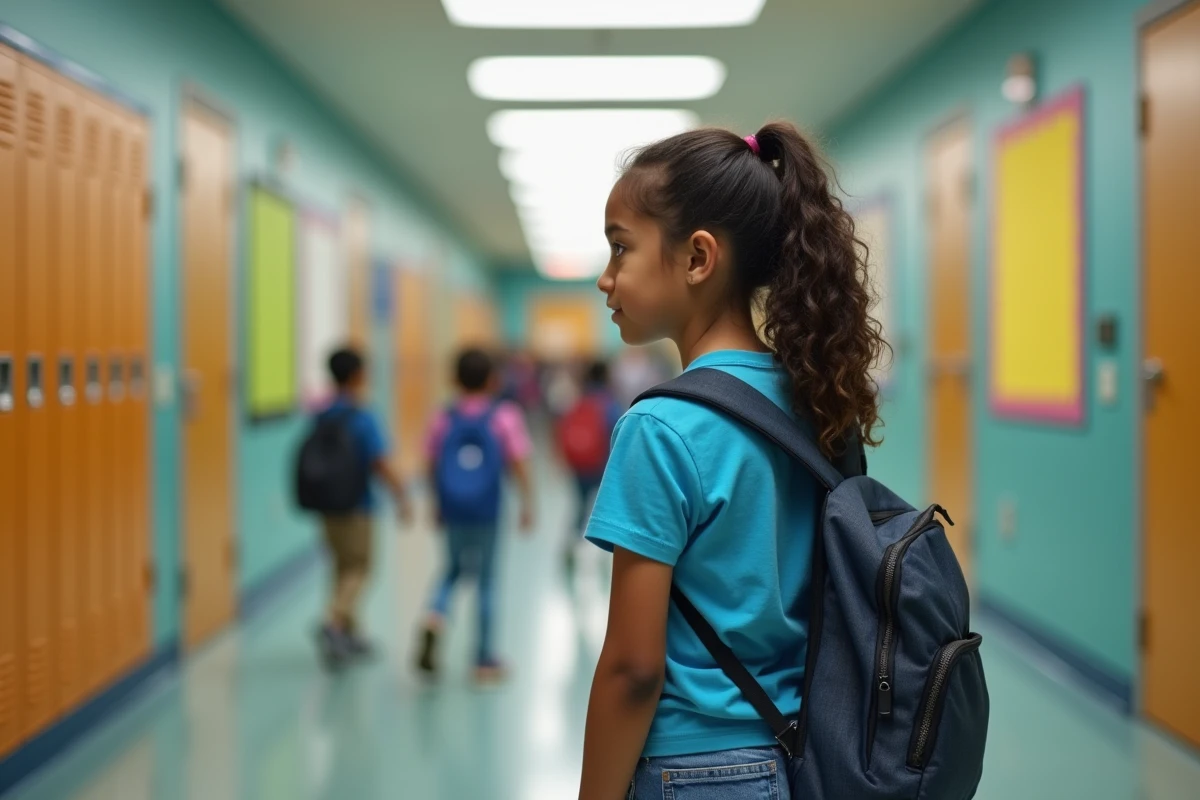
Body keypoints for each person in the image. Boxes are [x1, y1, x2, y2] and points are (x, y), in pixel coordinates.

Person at [578, 123, 886, 799]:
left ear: (697, 258)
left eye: (620, 248)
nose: (605, 278)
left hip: (695, 769)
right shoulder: (814, 401)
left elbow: (633, 668)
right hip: (809, 754)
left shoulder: (660, 428)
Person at [417, 348, 535, 683]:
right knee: (486, 580)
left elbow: (431, 463)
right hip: (487, 508)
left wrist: (435, 502)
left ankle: (435, 615)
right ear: (492, 380)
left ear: (454, 379)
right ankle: (484, 660)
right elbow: (518, 463)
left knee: (452, 570)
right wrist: (528, 503)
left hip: (453, 506)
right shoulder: (504, 416)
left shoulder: (444, 417)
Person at [312, 347, 411, 666]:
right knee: (362, 567)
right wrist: (401, 495)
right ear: (356, 376)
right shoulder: (362, 415)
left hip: (326, 503)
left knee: (342, 565)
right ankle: (334, 621)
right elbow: (379, 461)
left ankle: (349, 634)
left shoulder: (321, 413)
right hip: (357, 504)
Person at [554, 359, 621, 572]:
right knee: (605, 509)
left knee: (580, 507)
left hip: (580, 465)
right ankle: (605, 554)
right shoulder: (610, 404)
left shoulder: (578, 401)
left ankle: (569, 548)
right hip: (603, 466)